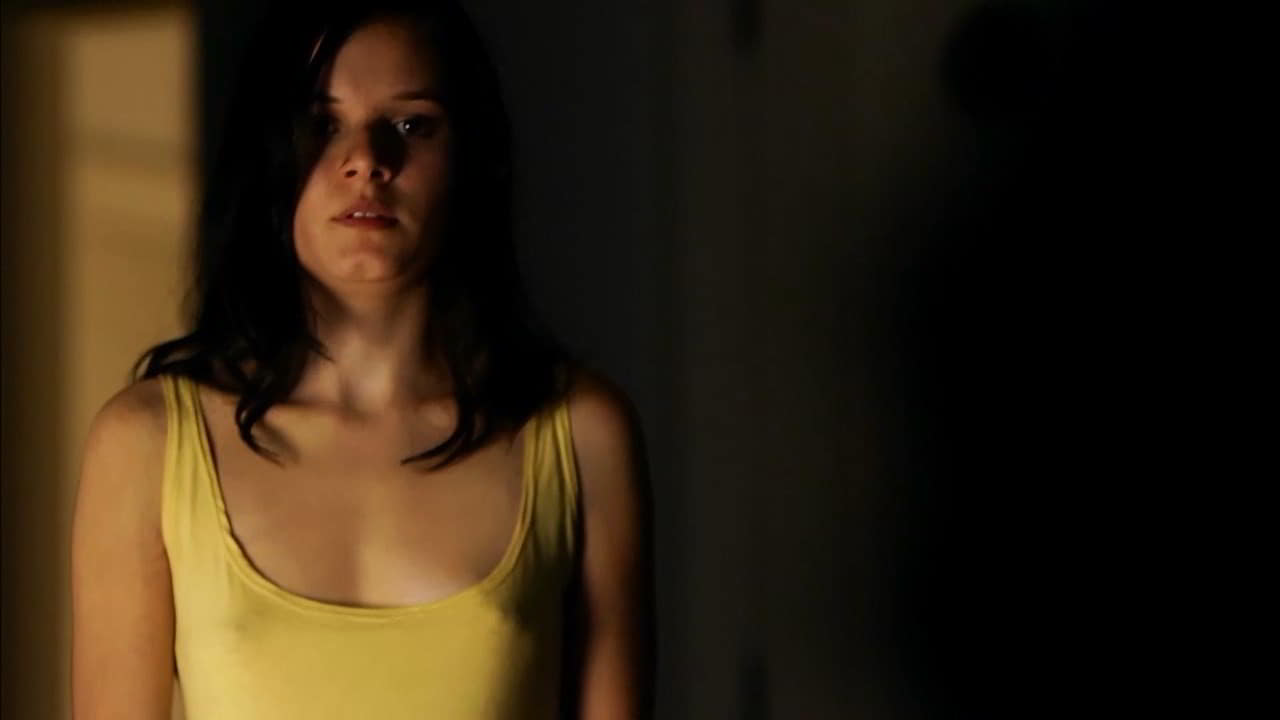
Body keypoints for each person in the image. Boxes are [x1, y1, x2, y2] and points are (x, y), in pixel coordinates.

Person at [69, 2, 653, 718]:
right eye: (321, 124)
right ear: (269, 155)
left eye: (411, 125)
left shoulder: (581, 435)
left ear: (469, 158)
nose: (367, 160)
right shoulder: (145, 444)